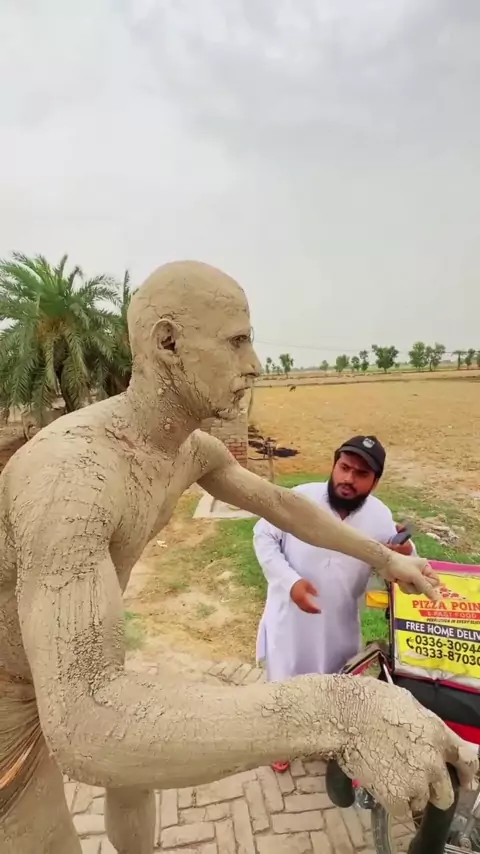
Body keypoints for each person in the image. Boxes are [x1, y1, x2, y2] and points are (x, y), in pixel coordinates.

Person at [0, 261, 476, 854]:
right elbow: (86, 726)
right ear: (168, 343)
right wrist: (337, 711)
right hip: (11, 701)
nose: (254, 364)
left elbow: (281, 504)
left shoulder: (186, 449)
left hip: (74, 665)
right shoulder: (73, 476)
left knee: (138, 770)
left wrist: (385, 558)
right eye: (237, 341)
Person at [254, 435, 416, 772]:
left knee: (333, 686)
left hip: (339, 623)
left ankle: (325, 740)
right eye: (344, 468)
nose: (348, 479)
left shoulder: (379, 517)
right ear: (334, 465)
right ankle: (280, 742)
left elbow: (402, 562)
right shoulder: (301, 499)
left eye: (361, 474)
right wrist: (290, 582)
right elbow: (263, 535)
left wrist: (405, 552)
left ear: (375, 482)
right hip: (290, 619)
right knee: (284, 685)